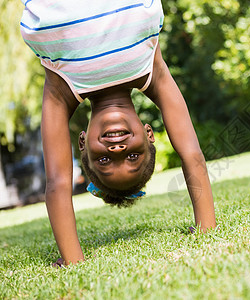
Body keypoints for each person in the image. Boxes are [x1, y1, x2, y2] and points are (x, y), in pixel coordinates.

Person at [20, 0, 216, 265]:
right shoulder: (152, 71)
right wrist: (206, 228)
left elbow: (58, 182)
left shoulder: (61, 90)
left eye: (104, 161)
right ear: (149, 134)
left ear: (82, 144)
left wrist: (73, 261)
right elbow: (192, 154)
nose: (117, 151)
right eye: (134, 157)